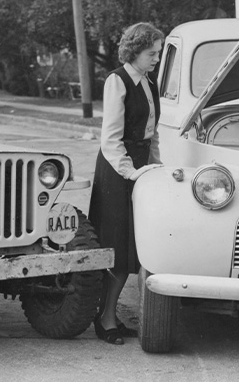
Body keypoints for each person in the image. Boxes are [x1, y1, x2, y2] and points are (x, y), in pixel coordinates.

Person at [88, 22, 164, 345]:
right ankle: (105, 319)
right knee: (118, 250)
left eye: (158, 54)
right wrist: (132, 172)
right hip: (118, 173)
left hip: (140, 171)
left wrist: (156, 166)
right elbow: (110, 140)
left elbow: (152, 133)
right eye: (152, 53)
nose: (157, 59)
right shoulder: (117, 81)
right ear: (135, 51)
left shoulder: (149, 82)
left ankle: (109, 315)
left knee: (133, 251)